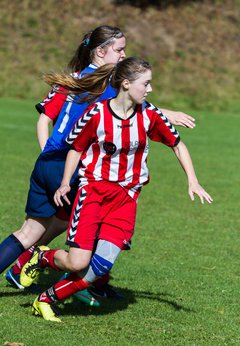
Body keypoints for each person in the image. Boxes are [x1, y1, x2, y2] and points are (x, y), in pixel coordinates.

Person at [3, 24, 195, 299]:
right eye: (119, 49)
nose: (123, 54)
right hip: (71, 163)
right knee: (95, 226)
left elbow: (44, 118)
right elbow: (126, 104)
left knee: (35, 230)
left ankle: (30, 268)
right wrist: (168, 113)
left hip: (47, 162)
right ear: (101, 51)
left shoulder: (72, 78)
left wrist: (47, 153)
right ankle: (82, 285)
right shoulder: (105, 83)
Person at [20, 57, 213, 322]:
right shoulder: (96, 114)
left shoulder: (149, 115)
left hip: (126, 198)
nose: (150, 89)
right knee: (78, 263)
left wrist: (193, 180)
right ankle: (42, 257)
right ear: (126, 84)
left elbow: (177, 144)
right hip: (93, 194)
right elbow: (76, 148)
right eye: (145, 83)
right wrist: (66, 183)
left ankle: (46, 300)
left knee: (100, 266)